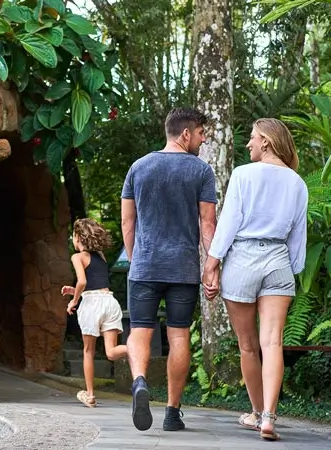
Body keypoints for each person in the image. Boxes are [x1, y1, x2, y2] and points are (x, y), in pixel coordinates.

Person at [202, 118, 307, 442]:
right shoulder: (297, 183)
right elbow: (298, 239)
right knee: (273, 342)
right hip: (278, 261)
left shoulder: (244, 175)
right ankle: (269, 419)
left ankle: (257, 412)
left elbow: (230, 221)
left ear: (266, 141)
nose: (248, 144)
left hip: (243, 259)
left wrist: (211, 264)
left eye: (252, 138)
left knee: (248, 346)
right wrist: (291, 269)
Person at [120, 107, 217, 432]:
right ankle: (172, 412)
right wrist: (211, 266)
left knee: (140, 330)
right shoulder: (201, 171)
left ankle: (139, 382)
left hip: (145, 267)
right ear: (186, 133)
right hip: (182, 270)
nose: (204, 139)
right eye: (201, 133)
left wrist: (136, 260)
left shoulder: (139, 167)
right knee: (178, 335)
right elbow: (207, 223)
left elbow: (127, 221)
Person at [62, 218, 128, 408]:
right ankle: (136, 349)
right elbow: (95, 283)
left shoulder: (77, 257)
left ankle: (90, 395)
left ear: (77, 237)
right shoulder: (100, 255)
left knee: (88, 351)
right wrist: (73, 291)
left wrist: (73, 301)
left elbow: (82, 282)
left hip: (92, 305)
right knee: (111, 352)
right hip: (110, 302)